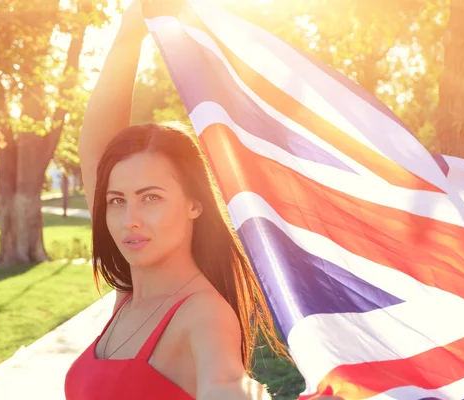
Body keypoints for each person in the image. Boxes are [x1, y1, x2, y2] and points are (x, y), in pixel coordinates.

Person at [64, 1, 345, 399]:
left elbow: (227, 384)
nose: (130, 219)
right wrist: (130, 31)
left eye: (151, 198)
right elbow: (96, 150)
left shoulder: (203, 313)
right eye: (117, 201)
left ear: (195, 203)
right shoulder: (130, 297)